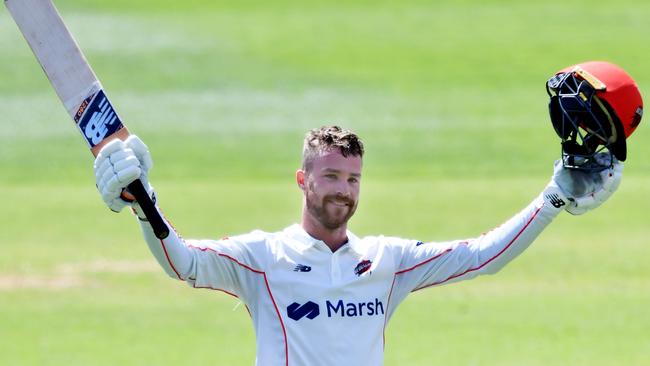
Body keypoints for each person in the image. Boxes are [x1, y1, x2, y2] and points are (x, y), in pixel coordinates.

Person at [92, 61, 641, 366]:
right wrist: (146, 204)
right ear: (303, 180)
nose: (343, 191)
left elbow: (481, 257)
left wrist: (552, 199)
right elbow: (182, 262)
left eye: (352, 179)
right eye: (331, 177)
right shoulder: (261, 258)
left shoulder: (387, 262)